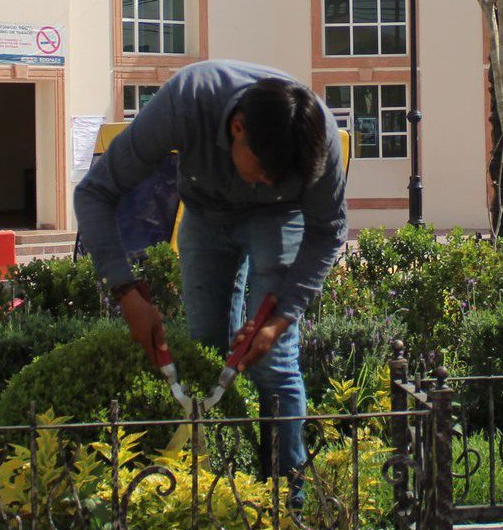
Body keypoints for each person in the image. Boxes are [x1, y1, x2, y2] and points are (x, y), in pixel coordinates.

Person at [73, 60, 346, 495]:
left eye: (279, 177)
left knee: (273, 361)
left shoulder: (318, 136)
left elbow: (328, 232)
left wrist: (280, 318)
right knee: (206, 347)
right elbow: (94, 192)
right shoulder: (187, 100)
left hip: (279, 218)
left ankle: (288, 500)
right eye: (262, 170)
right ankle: (222, 486)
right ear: (237, 128)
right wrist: (126, 292)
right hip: (204, 210)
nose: (264, 182)